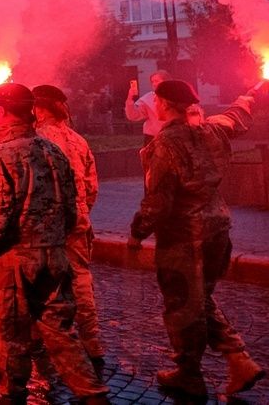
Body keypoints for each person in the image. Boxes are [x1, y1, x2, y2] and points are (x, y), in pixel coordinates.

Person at [0, 83, 109, 404]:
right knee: (62, 334)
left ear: (0, 110)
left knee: (10, 339)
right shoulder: (54, 151)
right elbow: (72, 209)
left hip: (14, 264)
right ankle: (93, 394)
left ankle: (12, 395)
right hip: (55, 257)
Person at [128, 79, 265, 398]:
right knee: (200, 298)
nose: (155, 105)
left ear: (164, 104)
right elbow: (235, 115)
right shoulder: (213, 130)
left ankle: (188, 374)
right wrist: (250, 95)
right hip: (218, 229)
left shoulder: (165, 144)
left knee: (182, 304)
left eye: (157, 101)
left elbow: (159, 200)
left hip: (183, 236)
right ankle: (239, 360)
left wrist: (137, 232)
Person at [33, 85, 105, 371]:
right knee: (81, 280)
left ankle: (45, 338)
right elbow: (92, 186)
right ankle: (92, 341)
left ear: (39, 110)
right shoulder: (78, 140)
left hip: (47, 225)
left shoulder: (37, 140)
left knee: (42, 282)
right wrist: (81, 211)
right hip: (78, 220)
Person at [126, 69, 170, 145]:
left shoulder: (176, 96)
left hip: (172, 137)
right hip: (153, 138)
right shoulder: (148, 98)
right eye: (152, 82)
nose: (154, 84)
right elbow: (133, 115)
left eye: (157, 81)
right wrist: (130, 98)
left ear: (166, 81)